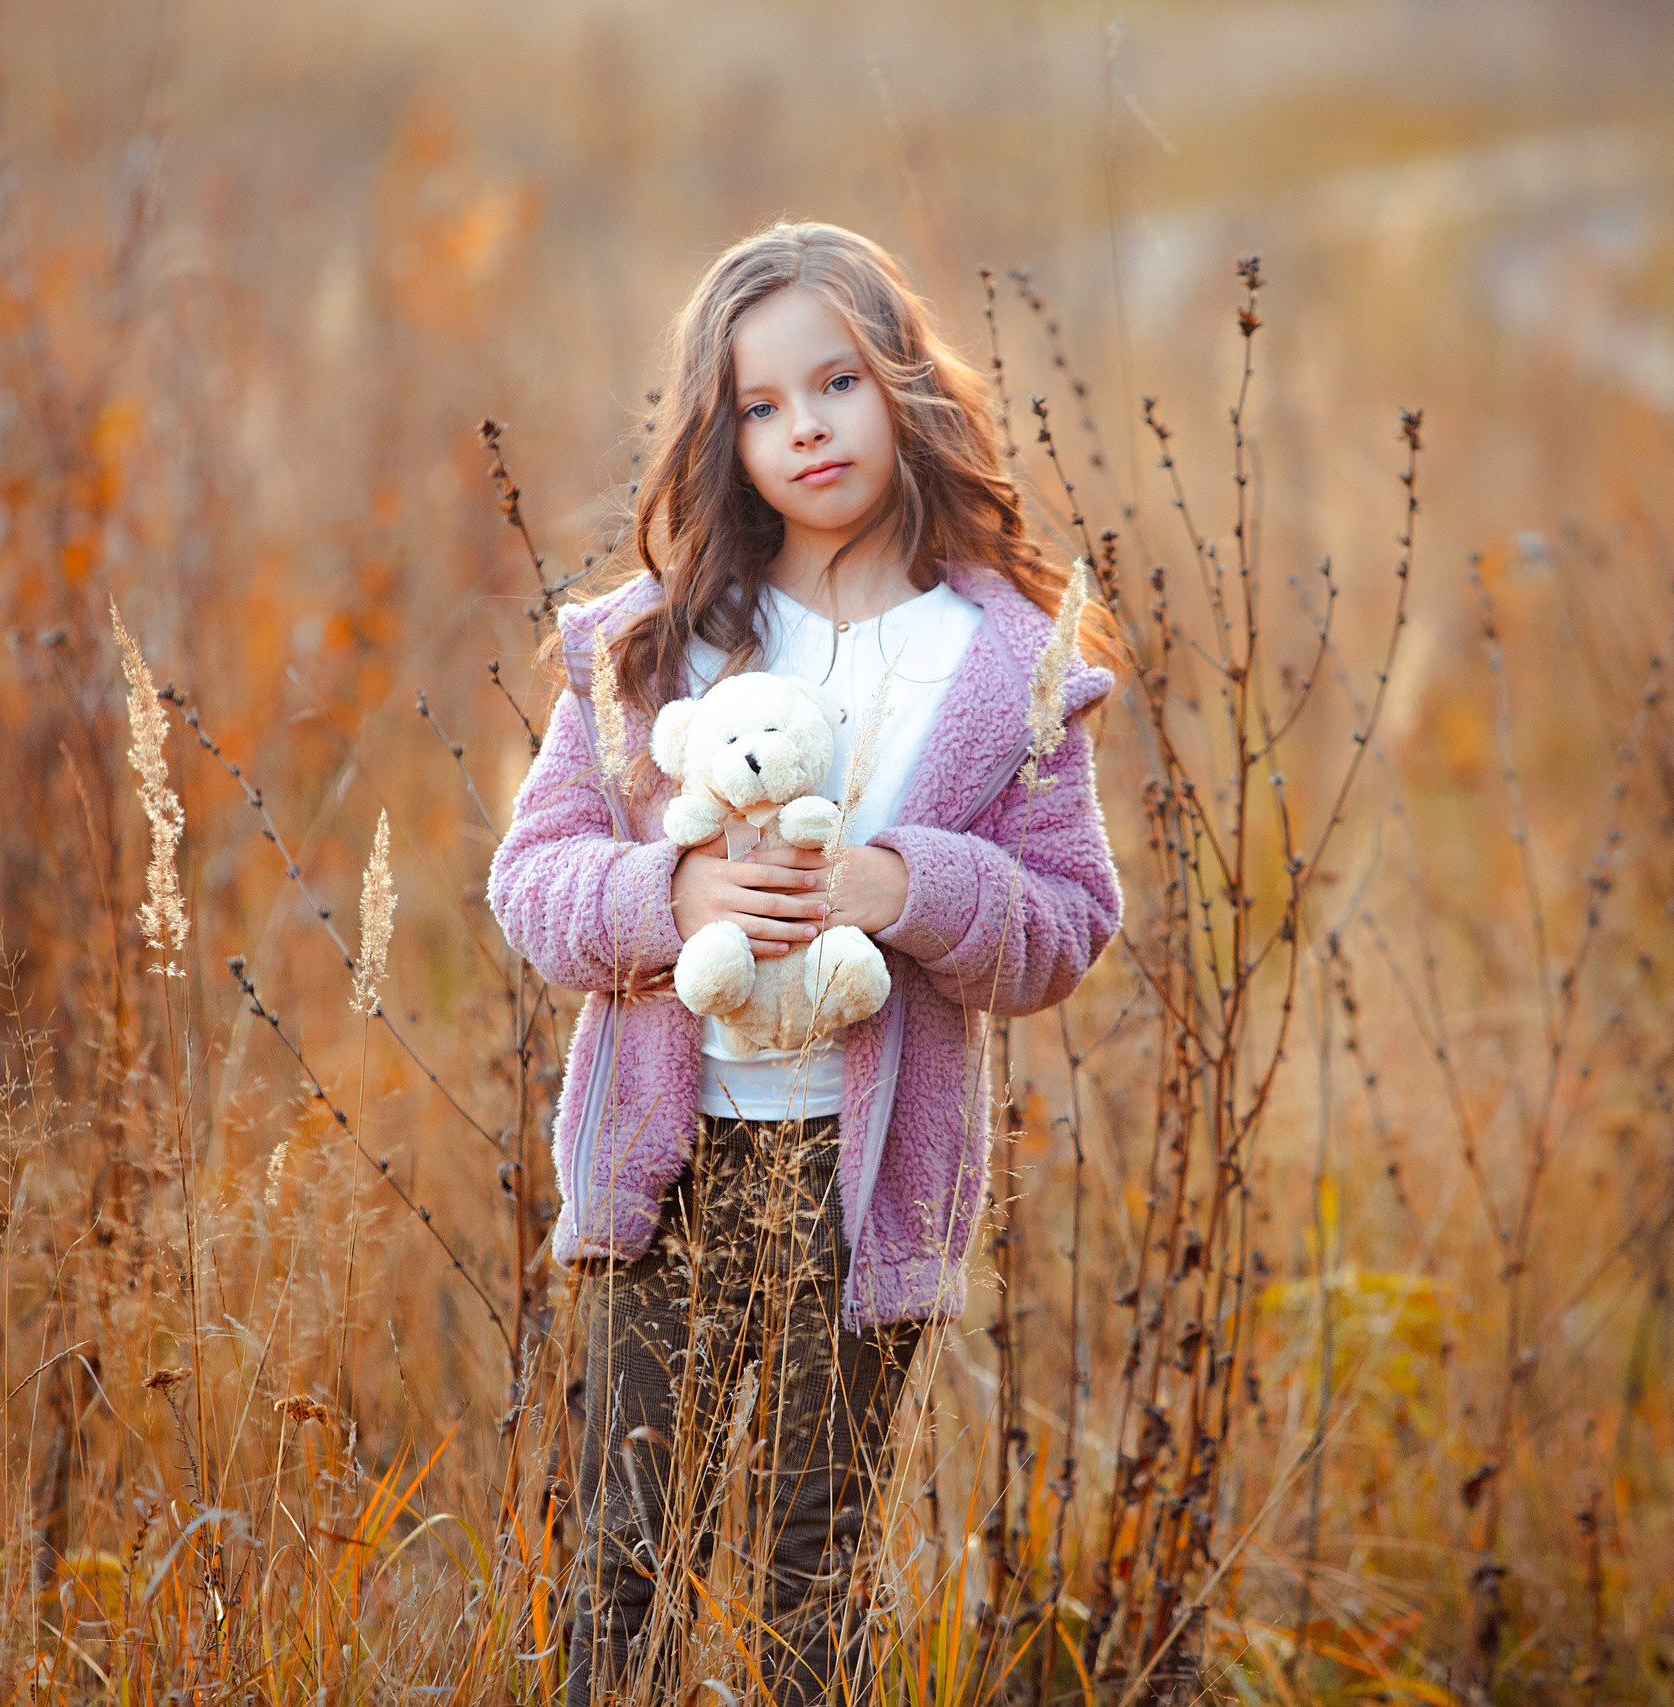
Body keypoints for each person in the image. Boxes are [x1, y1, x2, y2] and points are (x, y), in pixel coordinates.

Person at [486, 220, 1128, 1706]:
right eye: (762, 407)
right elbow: (533, 884)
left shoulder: (1004, 662)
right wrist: (674, 887)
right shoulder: (651, 646)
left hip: (862, 1173)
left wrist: (905, 882)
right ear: (725, 436)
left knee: (811, 1571)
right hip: (669, 1162)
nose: (805, 430)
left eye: (835, 383)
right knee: (621, 1553)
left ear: (902, 382)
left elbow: (1065, 927)